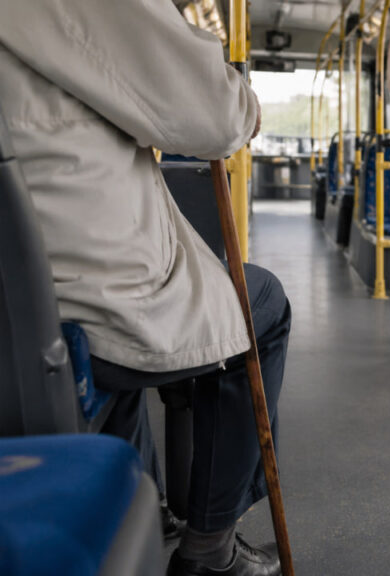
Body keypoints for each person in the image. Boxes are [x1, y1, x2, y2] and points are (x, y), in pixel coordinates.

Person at [0, 2, 289, 575]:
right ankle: (211, 550)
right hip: (69, 297)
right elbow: (212, 115)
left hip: (20, 292)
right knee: (261, 305)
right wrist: (241, 102)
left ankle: (145, 499)